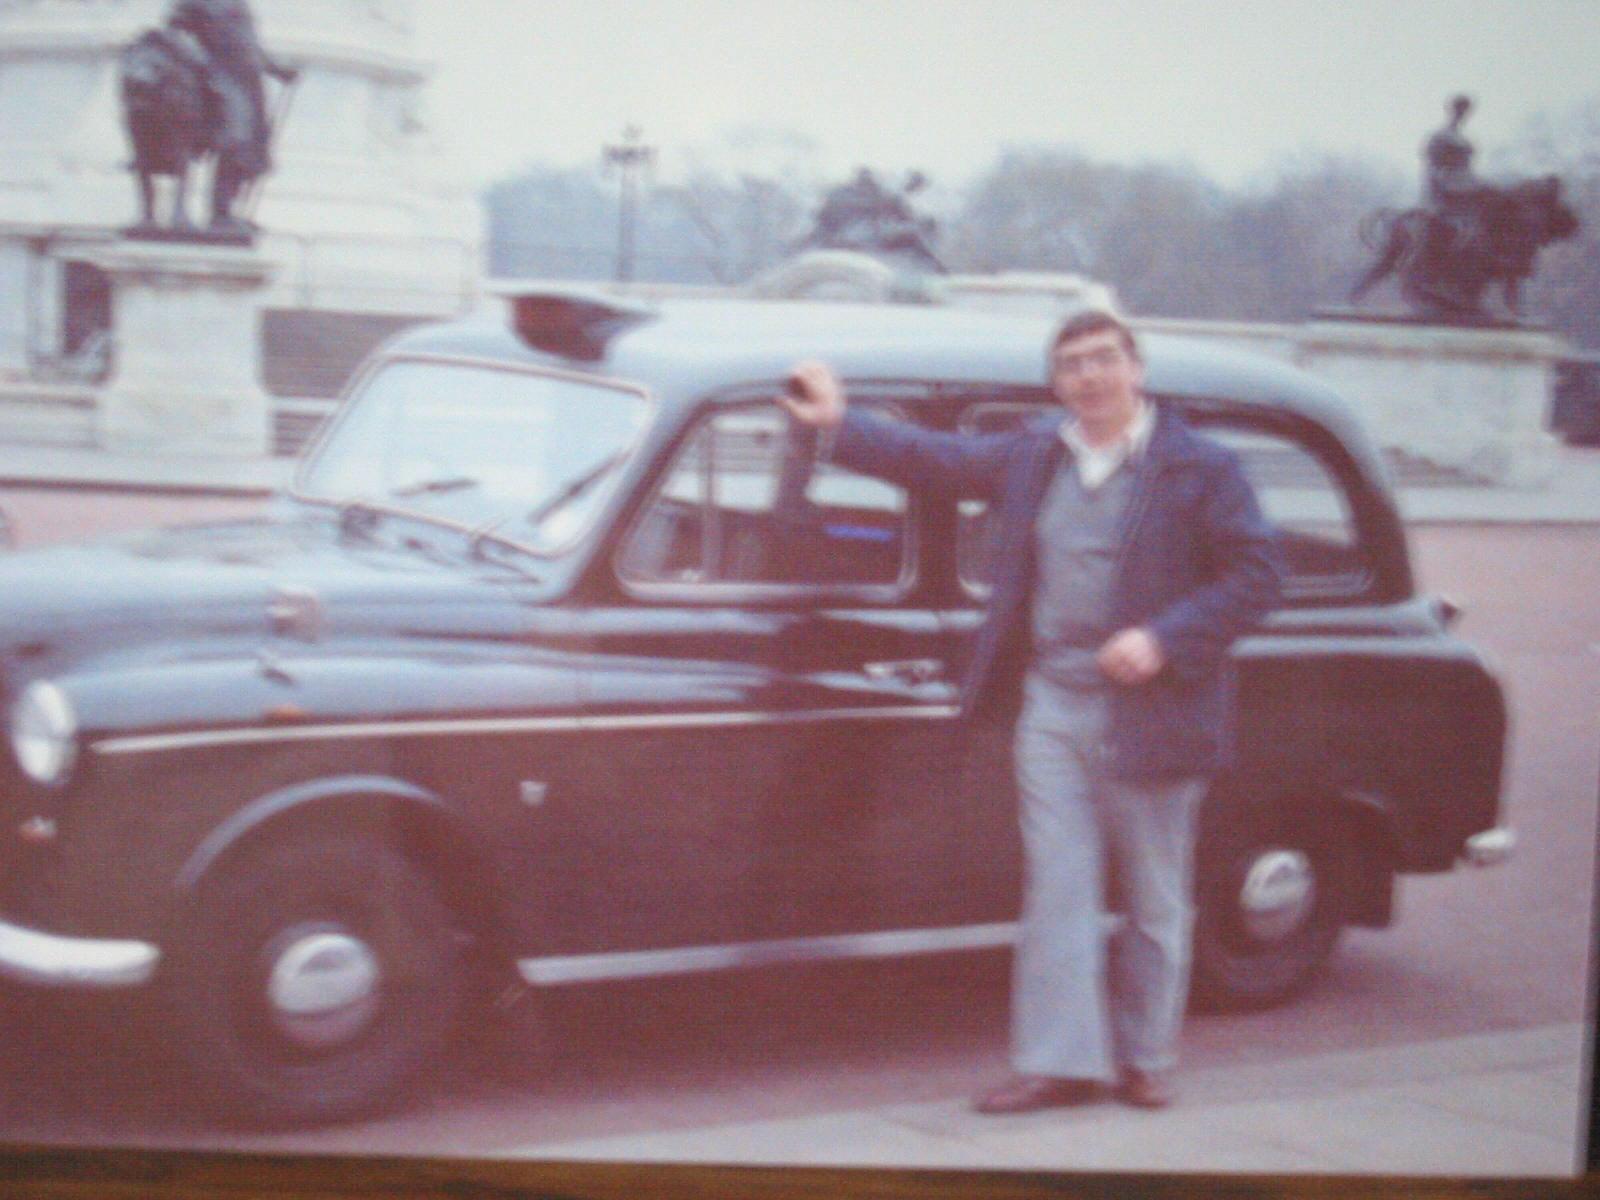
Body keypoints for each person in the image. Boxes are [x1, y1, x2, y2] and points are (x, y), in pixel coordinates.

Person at [779, 306, 1282, 1112]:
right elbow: (936, 459)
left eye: (1104, 358)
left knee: (1154, 894)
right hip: (1053, 700)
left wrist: (1163, 638)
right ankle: (1061, 1064)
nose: (1089, 376)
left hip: (1152, 709)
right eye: (1072, 364)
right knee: (1058, 887)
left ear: (1136, 368)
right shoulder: (1037, 455)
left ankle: (1147, 1056)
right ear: (1055, 383)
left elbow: (1258, 576)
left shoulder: (1201, 467)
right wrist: (840, 422)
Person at [166, 0, 297, 233]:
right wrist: (202, 67)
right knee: (228, 141)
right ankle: (184, 211)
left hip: (247, 85)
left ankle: (223, 213)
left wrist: (276, 69)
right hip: (215, 80)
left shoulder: (240, 4)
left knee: (244, 150)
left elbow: (249, 45)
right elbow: (177, 35)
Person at [1422, 94, 1487, 259]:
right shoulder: (1440, 136)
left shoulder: (1464, 139)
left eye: (1465, 112)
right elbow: (1433, 163)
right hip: (1447, 184)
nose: (1462, 115)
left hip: (1465, 182)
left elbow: (1467, 167)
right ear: (1452, 111)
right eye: (1459, 111)